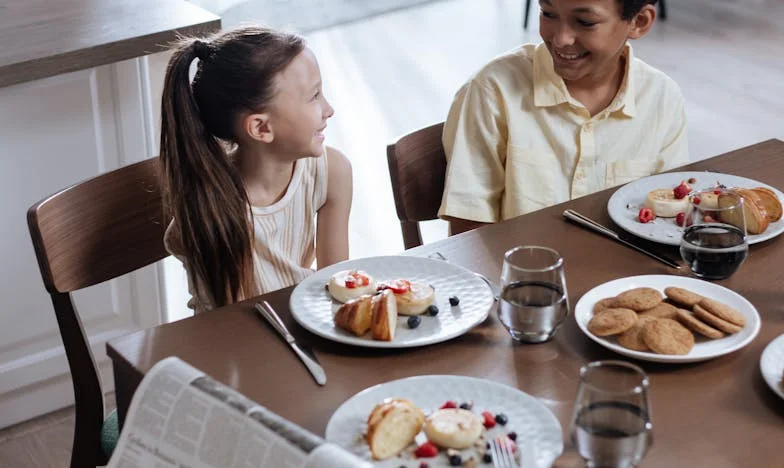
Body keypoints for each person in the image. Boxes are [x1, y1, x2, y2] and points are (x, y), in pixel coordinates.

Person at [438, 0, 688, 235]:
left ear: (639, 22)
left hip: (626, 276)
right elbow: (467, 229)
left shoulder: (662, 97)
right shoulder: (493, 90)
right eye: (548, 13)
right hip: (521, 275)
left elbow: (670, 215)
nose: (561, 39)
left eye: (585, 22)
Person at [160, 26, 352, 313]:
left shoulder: (331, 171)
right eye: (314, 97)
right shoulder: (210, 211)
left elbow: (339, 289)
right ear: (261, 127)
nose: (329, 109)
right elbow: (237, 324)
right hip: (235, 341)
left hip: (298, 322)